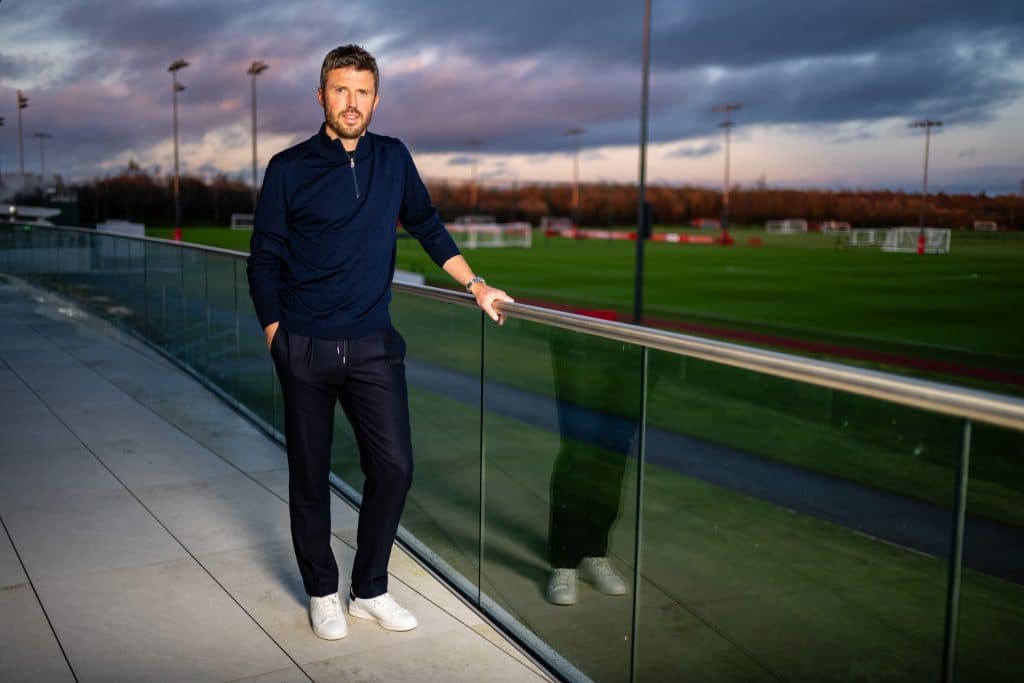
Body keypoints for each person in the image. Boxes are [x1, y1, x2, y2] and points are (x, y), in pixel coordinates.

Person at [247, 44, 512, 640]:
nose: (352, 102)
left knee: (394, 469)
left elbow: (426, 224)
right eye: (340, 90)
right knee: (309, 478)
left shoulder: (393, 158)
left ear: (376, 98)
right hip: (306, 346)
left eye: (362, 91)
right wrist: (277, 338)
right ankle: (322, 590)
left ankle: (369, 589)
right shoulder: (288, 168)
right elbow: (263, 260)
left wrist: (475, 284)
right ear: (321, 95)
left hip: (372, 345)